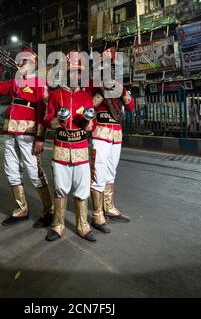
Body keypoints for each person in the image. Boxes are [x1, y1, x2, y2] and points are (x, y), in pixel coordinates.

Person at [0, 45, 53, 228]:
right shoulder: (16, 82)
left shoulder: (40, 83)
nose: (25, 63)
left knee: (34, 172)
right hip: (10, 132)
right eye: (23, 60)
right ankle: (21, 209)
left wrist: (41, 137)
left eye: (29, 60)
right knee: (11, 170)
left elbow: (44, 111)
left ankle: (49, 210)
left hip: (29, 133)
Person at [44, 51, 96, 242]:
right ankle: (58, 225)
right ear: (65, 73)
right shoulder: (56, 94)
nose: (75, 76)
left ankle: (83, 225)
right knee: (60, 188)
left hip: (81, 148)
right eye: (71, 72)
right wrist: (59, 121)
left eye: (78, 72)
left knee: (82, 188)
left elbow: (93, 122)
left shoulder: (86, 95)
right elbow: (48, 120)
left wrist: (90, 124)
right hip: (61, 148)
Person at [90, 47, 135, 230]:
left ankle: (109, 207)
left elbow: (131, 107)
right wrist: (102, 93)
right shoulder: (93, 82)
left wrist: (121, 90)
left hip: (116, 133)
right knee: (98, 172)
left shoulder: (119, 84)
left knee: (111, 172)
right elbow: (87, 105)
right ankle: (97, 214)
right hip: (100, 132)